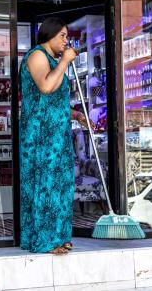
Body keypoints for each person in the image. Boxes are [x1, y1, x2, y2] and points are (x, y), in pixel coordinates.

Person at [19, 17, 88, 255]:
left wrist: (75, 114)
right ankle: (44, 241)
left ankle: (58, 237)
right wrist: (66, 62)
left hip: (57, 134)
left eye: (66, 36)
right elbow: (46, 87)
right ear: (49, 34)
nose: (66, 41)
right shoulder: (37, 56)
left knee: (61, 184)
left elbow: (53, 101)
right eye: (62, 36)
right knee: (45, 184)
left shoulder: (53, 60)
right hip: (41, 135)